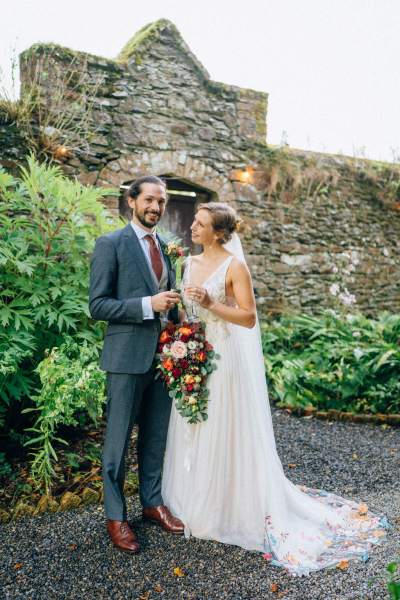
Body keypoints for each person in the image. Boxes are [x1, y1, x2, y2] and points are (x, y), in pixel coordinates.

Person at [162, 202, 388, 576]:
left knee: (227, 430)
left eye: (200, 224)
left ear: (219, 232)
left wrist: (213, 303)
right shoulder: (186, 263)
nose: (192, 227)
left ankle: (233, 505)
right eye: (194, 222)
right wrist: (181, 335)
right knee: (196, 427)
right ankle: (197, 499)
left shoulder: (235, 267)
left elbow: (248, 318)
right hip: (195, 358)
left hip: (226, 361)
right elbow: (188, 314)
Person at [89, 175, 184, 554]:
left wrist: (180, 325)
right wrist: (148, 305)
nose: (155, 208)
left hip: (165, 361)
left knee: (156, 438)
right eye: (148, 200)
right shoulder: (110, 244)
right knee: (116, 443)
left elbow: (170, 304)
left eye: (161, 202)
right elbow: (98, 305)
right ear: (132, 201)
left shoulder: (167, 246)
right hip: (126, 360)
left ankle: (152, 503)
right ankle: (116, 516)